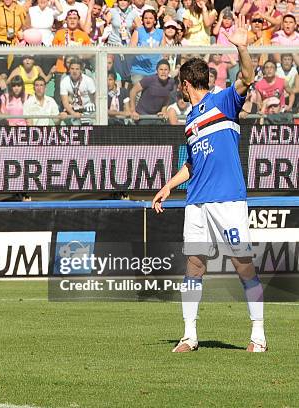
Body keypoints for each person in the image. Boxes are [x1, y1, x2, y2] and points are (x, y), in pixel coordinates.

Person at [152, 15, 267, 353]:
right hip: (196, 202)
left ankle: (258, 335)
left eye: (179, 84)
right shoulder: (190, 120)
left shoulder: (223, 102)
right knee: (194, 265)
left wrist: (243, 47)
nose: (179, 89)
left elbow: (247, 77)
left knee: (242, 265)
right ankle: (190, 335)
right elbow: (192, 162)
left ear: (187, 83)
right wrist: (169, 185)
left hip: (228, 200)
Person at [129, 59, 175, 125]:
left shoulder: (171, 82)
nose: (163, 72)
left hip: (157, 116)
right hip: (143, 116)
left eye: (165, 70)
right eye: (161, 69)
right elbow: (133, 91)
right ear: (157, 71)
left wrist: (164, 110)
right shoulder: (149, 79)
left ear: (169, 71)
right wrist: (133, 111)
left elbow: (167, 96)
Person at [60, 59, 96, 125]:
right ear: (69, 70)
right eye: (72, 69)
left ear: (81, 70)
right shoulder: (64, 81)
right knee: (62, 117)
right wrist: (73, 113)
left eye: (77, 69)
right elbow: (65, 102)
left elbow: (96, 97)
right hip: (73, 108)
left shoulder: (88, 80)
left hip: (88, 108)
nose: (74, 71)